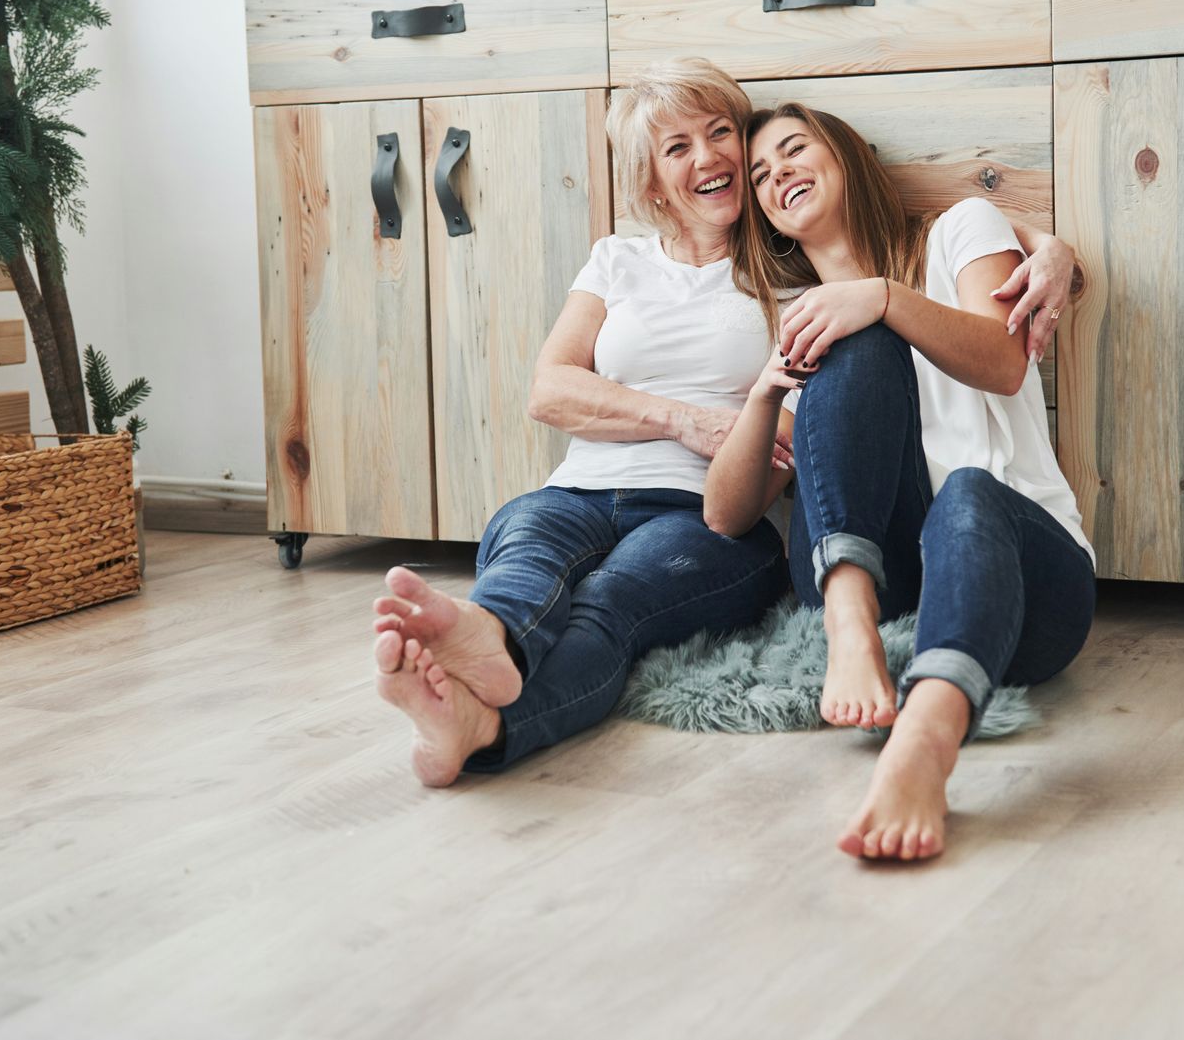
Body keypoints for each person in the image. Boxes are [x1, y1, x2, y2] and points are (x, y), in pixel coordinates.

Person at [374, 65, 1077, 788]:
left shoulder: (833, 278)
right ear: (655, 184)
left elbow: (965, 307)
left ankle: (495, 705)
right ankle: (489, 640)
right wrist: (724, 409)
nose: (719, 160)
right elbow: (557, 393)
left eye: (723, 137)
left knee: (616, 600)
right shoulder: (652, 264)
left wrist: (1050, 249)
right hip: (627, 495)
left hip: (757, 522)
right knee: (527, 553)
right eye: (682, 149)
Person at [705, 102, 1096, 862]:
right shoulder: (796, 322)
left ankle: (921, 748)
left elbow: (1004, 358)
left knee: (968, 493)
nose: (775, 171)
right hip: (883, 581)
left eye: (793, 149)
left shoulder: (962, 230)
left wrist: (881, 297)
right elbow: (725, 513)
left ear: (845, 157)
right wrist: (763, 395)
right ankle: (851, 628)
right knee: (846, 345)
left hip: (1016, 569)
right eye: (758, 174)